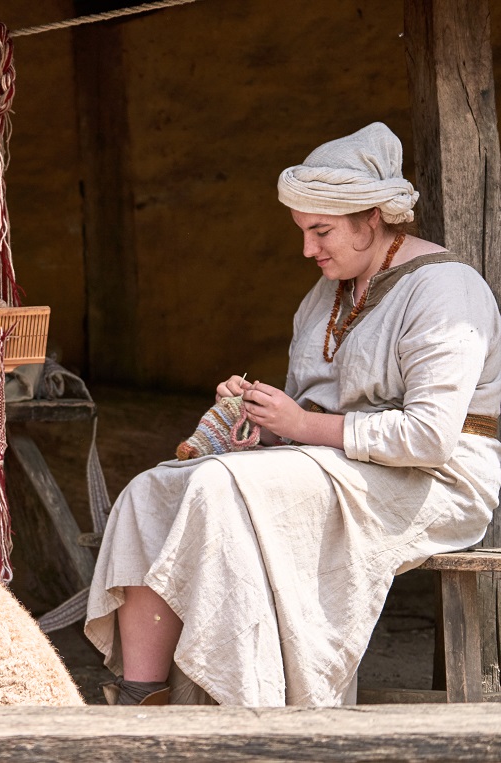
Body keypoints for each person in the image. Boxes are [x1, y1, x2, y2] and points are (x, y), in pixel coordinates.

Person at [85, 122, 501, 706]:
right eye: (303, 231)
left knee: (217, 488)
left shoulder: (445, 290)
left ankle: (254, 703)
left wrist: (302, 427)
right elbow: (307, 416)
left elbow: (430, 437)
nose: (308, 249)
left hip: (436, 479)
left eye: (321, 231)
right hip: (336, 463)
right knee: (150, 491)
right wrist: (261, 417)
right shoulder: (323, 297)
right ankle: (143, 696)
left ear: (372, 218)